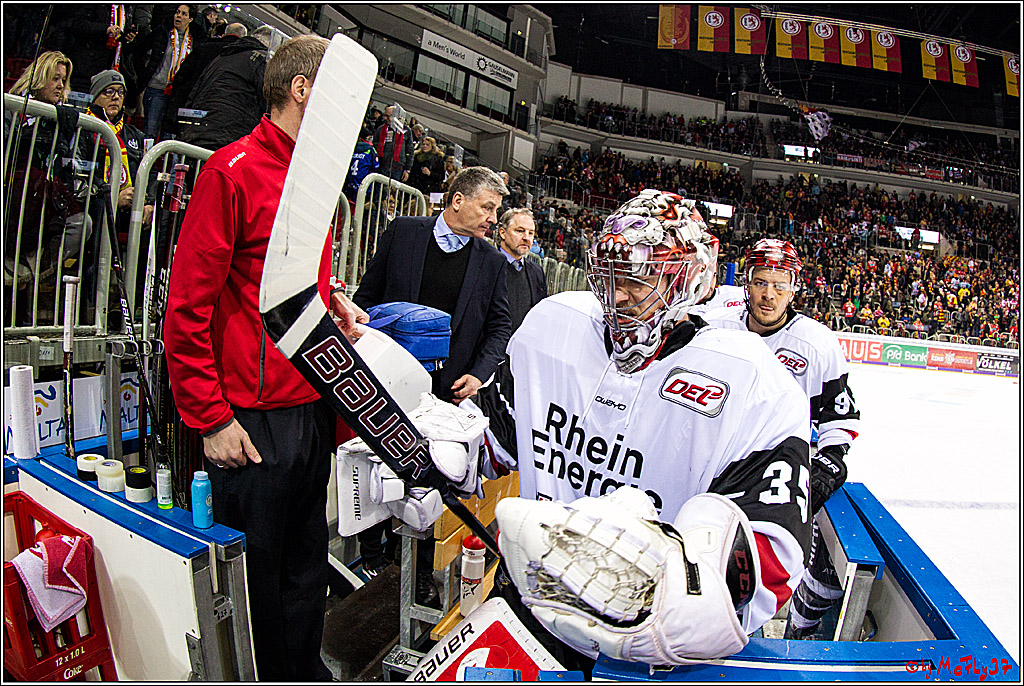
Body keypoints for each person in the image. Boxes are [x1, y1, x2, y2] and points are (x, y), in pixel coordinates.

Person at [463, 191, 811, 673]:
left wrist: (675, 607)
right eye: (609, 275)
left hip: (646, 651)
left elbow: (770, 555)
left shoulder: (751, 381)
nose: (617, 294)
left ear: (685, 278)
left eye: (637, 276)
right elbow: (495, 440)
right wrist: (442, 450)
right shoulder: (554, 325)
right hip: (533, 607)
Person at [163, 34, 367, 681]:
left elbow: (290, 284)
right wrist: (211, 418)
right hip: (249, 422)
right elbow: (188, 307)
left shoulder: (312, 181)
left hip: (308, 408)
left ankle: (301, 671)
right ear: (303, 89)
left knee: (306, 571)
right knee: (256, 581)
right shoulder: (233, 171)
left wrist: (334, 300)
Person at [352, 165, 513, 596]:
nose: (492, 219)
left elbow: (500, 327)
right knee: (378, 469)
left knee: (429, 481)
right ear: (457, 200)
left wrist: (479, 375)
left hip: (443, 394)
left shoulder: (493, 263)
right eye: (487, 207)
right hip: (384, 380)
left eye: (496, 211)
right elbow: (366, 298)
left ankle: (419, 573)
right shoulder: (403, 232)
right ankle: (372, 555)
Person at [701, 238, 860, 640]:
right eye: (759, 282)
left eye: (779, 283)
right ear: (746, 284)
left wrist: (829, 460)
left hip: (776, 474)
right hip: (716, 465)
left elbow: (839, 414)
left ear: (794, 287)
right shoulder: (716, 327)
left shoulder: (817, 343)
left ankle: (748, 634)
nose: (768, 294)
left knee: (754, 565)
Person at [173, 22, 269, 150]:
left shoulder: (222, 56)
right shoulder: (262, 60)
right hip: (228, 140)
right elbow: (267, 105)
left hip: (197, 134)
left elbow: (195, 92)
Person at [132, 4, 202, 140]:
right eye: (177, 12)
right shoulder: (162, 32)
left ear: (191, 19)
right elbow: (139, 51)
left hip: (177, 94)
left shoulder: (196, 40)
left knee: (169, 136)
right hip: (156, 88)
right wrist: (143, 73)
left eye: (183, 14)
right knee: (150, 132)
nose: (179, 16)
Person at [495, 207, 547, 332]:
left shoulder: (536, 272)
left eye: (531, 233)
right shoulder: (487, 265)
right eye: (520, 231)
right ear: (503, 233)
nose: (526, 238)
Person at [373, 104, 414, 183]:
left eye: (388, 116)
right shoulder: (380, 129)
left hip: (398, 169)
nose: (385, 118)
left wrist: (407, 169)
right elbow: (375, 147)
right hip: (382, 166)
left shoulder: (406, 130)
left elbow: (410, 151)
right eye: (385, 115)